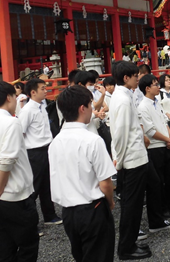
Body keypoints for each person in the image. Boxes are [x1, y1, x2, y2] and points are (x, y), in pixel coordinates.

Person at [49, 85, 116, 262]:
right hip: (92, 208)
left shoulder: (55, 142)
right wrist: (110, 202)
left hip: (68, 212)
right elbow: (105, 182)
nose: (92, 109)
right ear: (82, 108)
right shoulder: (92, 140)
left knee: (81, 255)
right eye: (90, 105)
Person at [0, 81, 39, 260]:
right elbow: (7, 160)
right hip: (16, 196)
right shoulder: (12, 122)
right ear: (9, 97)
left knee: (6, 247)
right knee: (28, 247)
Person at [109, 61, 152, 260]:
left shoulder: (124, 95)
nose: (138, 78)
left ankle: (131, 241)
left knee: (133, 203)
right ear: (126, 78)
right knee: (131, 204)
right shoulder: (123, 99)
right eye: (135, 75)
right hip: (131, 159)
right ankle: (126, 247)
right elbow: (120, 134)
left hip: (134, 155)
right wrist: (119, 159)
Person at [18, 78, 62, 227]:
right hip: (34, 152)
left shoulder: (42, 106)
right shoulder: (27, 110)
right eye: (42, 88)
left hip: (46, 148)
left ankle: (49, 215)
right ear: (33, 92)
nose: (46, 90)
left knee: (46, 184)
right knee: (34, 186)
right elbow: (20, 133)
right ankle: (29, 221)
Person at [137, 75, 170, 222]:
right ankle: (162, 209)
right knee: (160, 180)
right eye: (155, 85)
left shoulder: (157, 102)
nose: (158, 87)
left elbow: (164, 121)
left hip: (166, 143)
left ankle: (167, 203)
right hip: (155, 147)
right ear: (147, 88)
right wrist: (167, 139)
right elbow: (149, 130)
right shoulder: (143, 106)